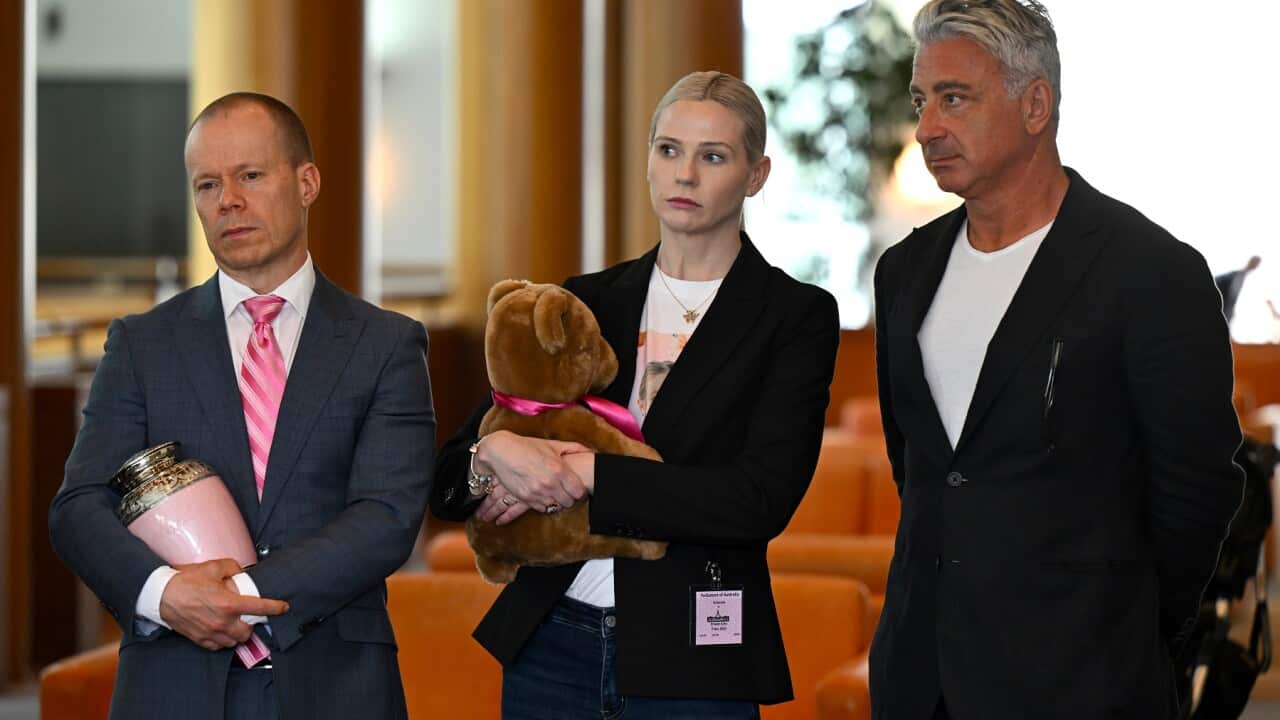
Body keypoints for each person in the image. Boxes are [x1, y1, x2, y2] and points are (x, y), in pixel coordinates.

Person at [870, 2, 1244, 718]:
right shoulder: (904, 272)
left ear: (1034, 103)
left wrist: (1123, 632)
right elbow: (920, 473)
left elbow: (1196, 496)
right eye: (921, 101)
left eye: (953, 98)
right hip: (920, 682)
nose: (926, 129)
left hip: (1084, 683)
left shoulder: (1149, 272)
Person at [430, 70, 839, 718]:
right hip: (550, 642)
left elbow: (758, 501)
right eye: (669, 149)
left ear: (756, 175)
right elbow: (448, 480)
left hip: (694, 653)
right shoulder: (584, 299)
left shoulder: (794, 315)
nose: (685, 174)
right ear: (648, 159)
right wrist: (495, 454)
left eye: (713, 156)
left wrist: (591, 472)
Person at [49, 92, 435, 720]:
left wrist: (240, 594)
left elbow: (387, 516)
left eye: (250, 176)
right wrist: (168, 592)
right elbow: (79, 507)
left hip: (335, 683)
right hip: (174, 681)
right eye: (207, 184)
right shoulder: (141, 343)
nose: (227, 199)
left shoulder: (385, 343)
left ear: (307, 182)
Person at [1215, 254, 1261, 323]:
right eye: (1254, 262)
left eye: (1256, 264)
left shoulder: (1242, 277)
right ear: (1250, 261)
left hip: (1226, 312)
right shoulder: (1233, 276)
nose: (1255, 265)